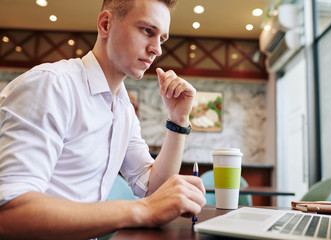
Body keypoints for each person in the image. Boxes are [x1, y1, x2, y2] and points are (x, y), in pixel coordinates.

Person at [0, 0, 206, 239]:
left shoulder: (123, 107)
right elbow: (9, 213)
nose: (157, 49)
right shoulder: (50, 85)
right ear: (106, 24)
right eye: (148, 31)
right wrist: (141, 210)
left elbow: (152, 188)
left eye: (161, 39)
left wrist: (178, 120)